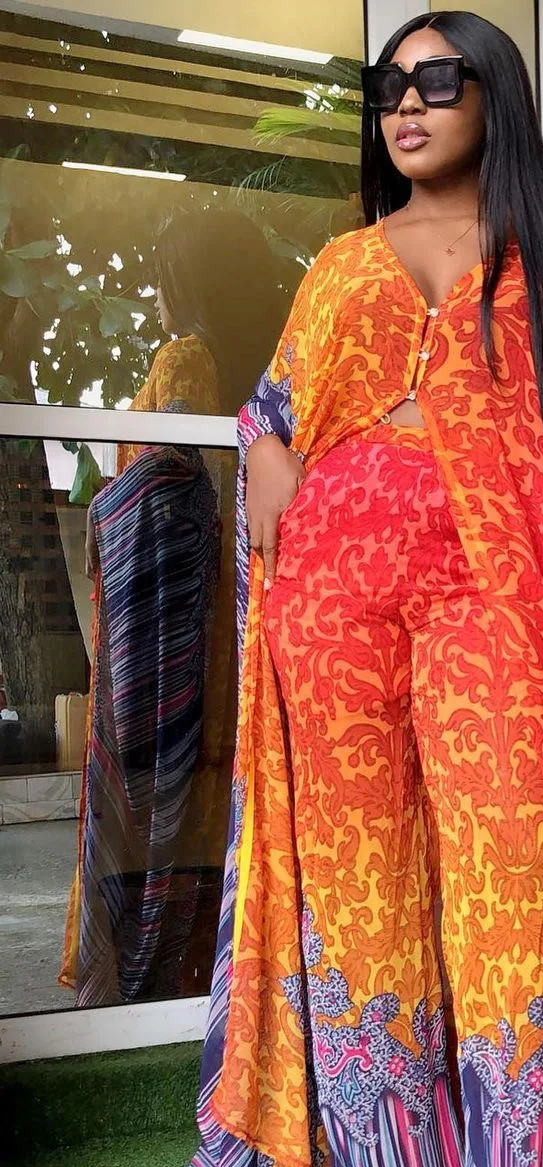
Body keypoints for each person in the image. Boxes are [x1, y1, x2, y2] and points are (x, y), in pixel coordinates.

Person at [108, 11, 543, 1167]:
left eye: (438, 80)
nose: (407, 104)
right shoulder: (339, 263)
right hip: (333, 609)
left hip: (496, 601)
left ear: (495, 96)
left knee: (512, 891)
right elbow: (273, 412)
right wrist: (273, 459)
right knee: (366, 909)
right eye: (389, 88)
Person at [60, 210, 288, 1005]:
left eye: (161, 278)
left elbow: (180, 484)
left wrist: (109, 510)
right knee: (208, 792)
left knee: (157, 791)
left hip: (172, 623)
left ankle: (146, 980)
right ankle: (208, 974)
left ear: (187, 282)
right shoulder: (263, 368)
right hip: (226, 610)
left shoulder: (186, 357)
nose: (155, 297)